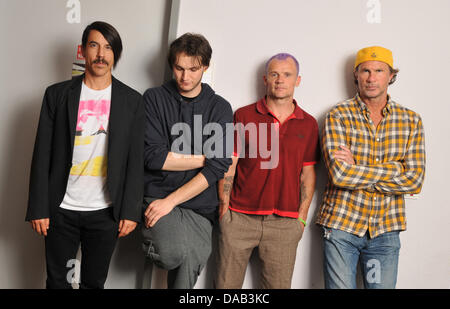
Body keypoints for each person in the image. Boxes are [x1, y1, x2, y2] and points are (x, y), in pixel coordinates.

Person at [26, 21, 143, 289]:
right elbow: (41, 153)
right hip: (61, 209)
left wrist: (131, 211)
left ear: (116, 54)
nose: (101, 54)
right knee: (58, 283)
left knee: (94, 283)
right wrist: (38, 206)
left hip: (105, 212)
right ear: (82, 51)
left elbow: (134, 161)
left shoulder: (132, 101)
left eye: (108, 47)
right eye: (94, 45)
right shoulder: (57, 95)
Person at [316, 46, 426, 289]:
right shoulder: (338, 115)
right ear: (356, 75)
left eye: (379, 70)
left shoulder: (411, 120)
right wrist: (395, 169)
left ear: (391, 76)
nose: (371, 77)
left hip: (386, 229)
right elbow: (340, 175)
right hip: (342, 225)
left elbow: (415, 181)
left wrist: (359, 167)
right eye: (365, 70)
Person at [215, 53, 319, 289]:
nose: (280, 80)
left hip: (285, 224)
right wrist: (224, 209)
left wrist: (301, 218)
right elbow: (230, 165)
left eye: (287, 75)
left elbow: (308, 174)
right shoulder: (243, 115)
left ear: (297, 80)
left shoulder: (309, 123)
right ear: (265, 79)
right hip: (239, 218)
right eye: (274, 74)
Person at [142, 33, 233, 289]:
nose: (185, 77)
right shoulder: (154, 98)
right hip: (158, 196)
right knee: (172, 252)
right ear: (172, 65)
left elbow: (218, 168)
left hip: (199, 206)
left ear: (205, 67)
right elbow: (155, 158)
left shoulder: (220, 107)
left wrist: (173, 200)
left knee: (190, 268)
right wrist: (207, 158)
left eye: (193, 69)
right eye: (179, 68)